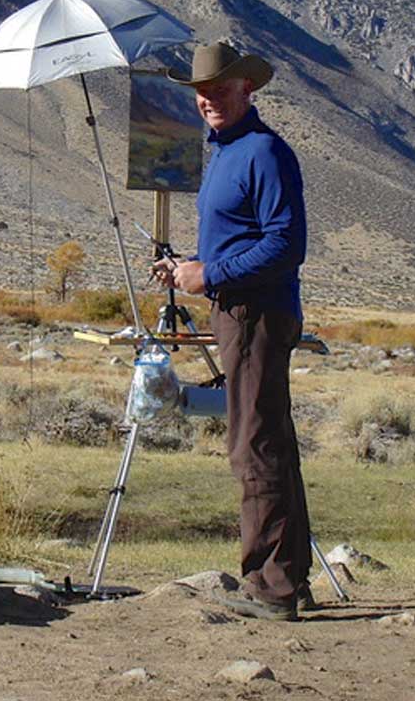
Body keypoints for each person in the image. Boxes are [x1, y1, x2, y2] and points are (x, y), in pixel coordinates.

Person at [153, 40, 312, 621]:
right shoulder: (228, 153)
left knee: (254, 445)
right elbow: (247, 238)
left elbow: (284, 246)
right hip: (241, 311)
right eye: (200, 92)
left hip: (256, 315)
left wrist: (211, 272)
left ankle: (271, 589)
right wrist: (190, 268)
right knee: (269, 440)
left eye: (220, 89)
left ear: (248, 88)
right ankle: (291, 578)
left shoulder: (264, 152)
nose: (209, 99)